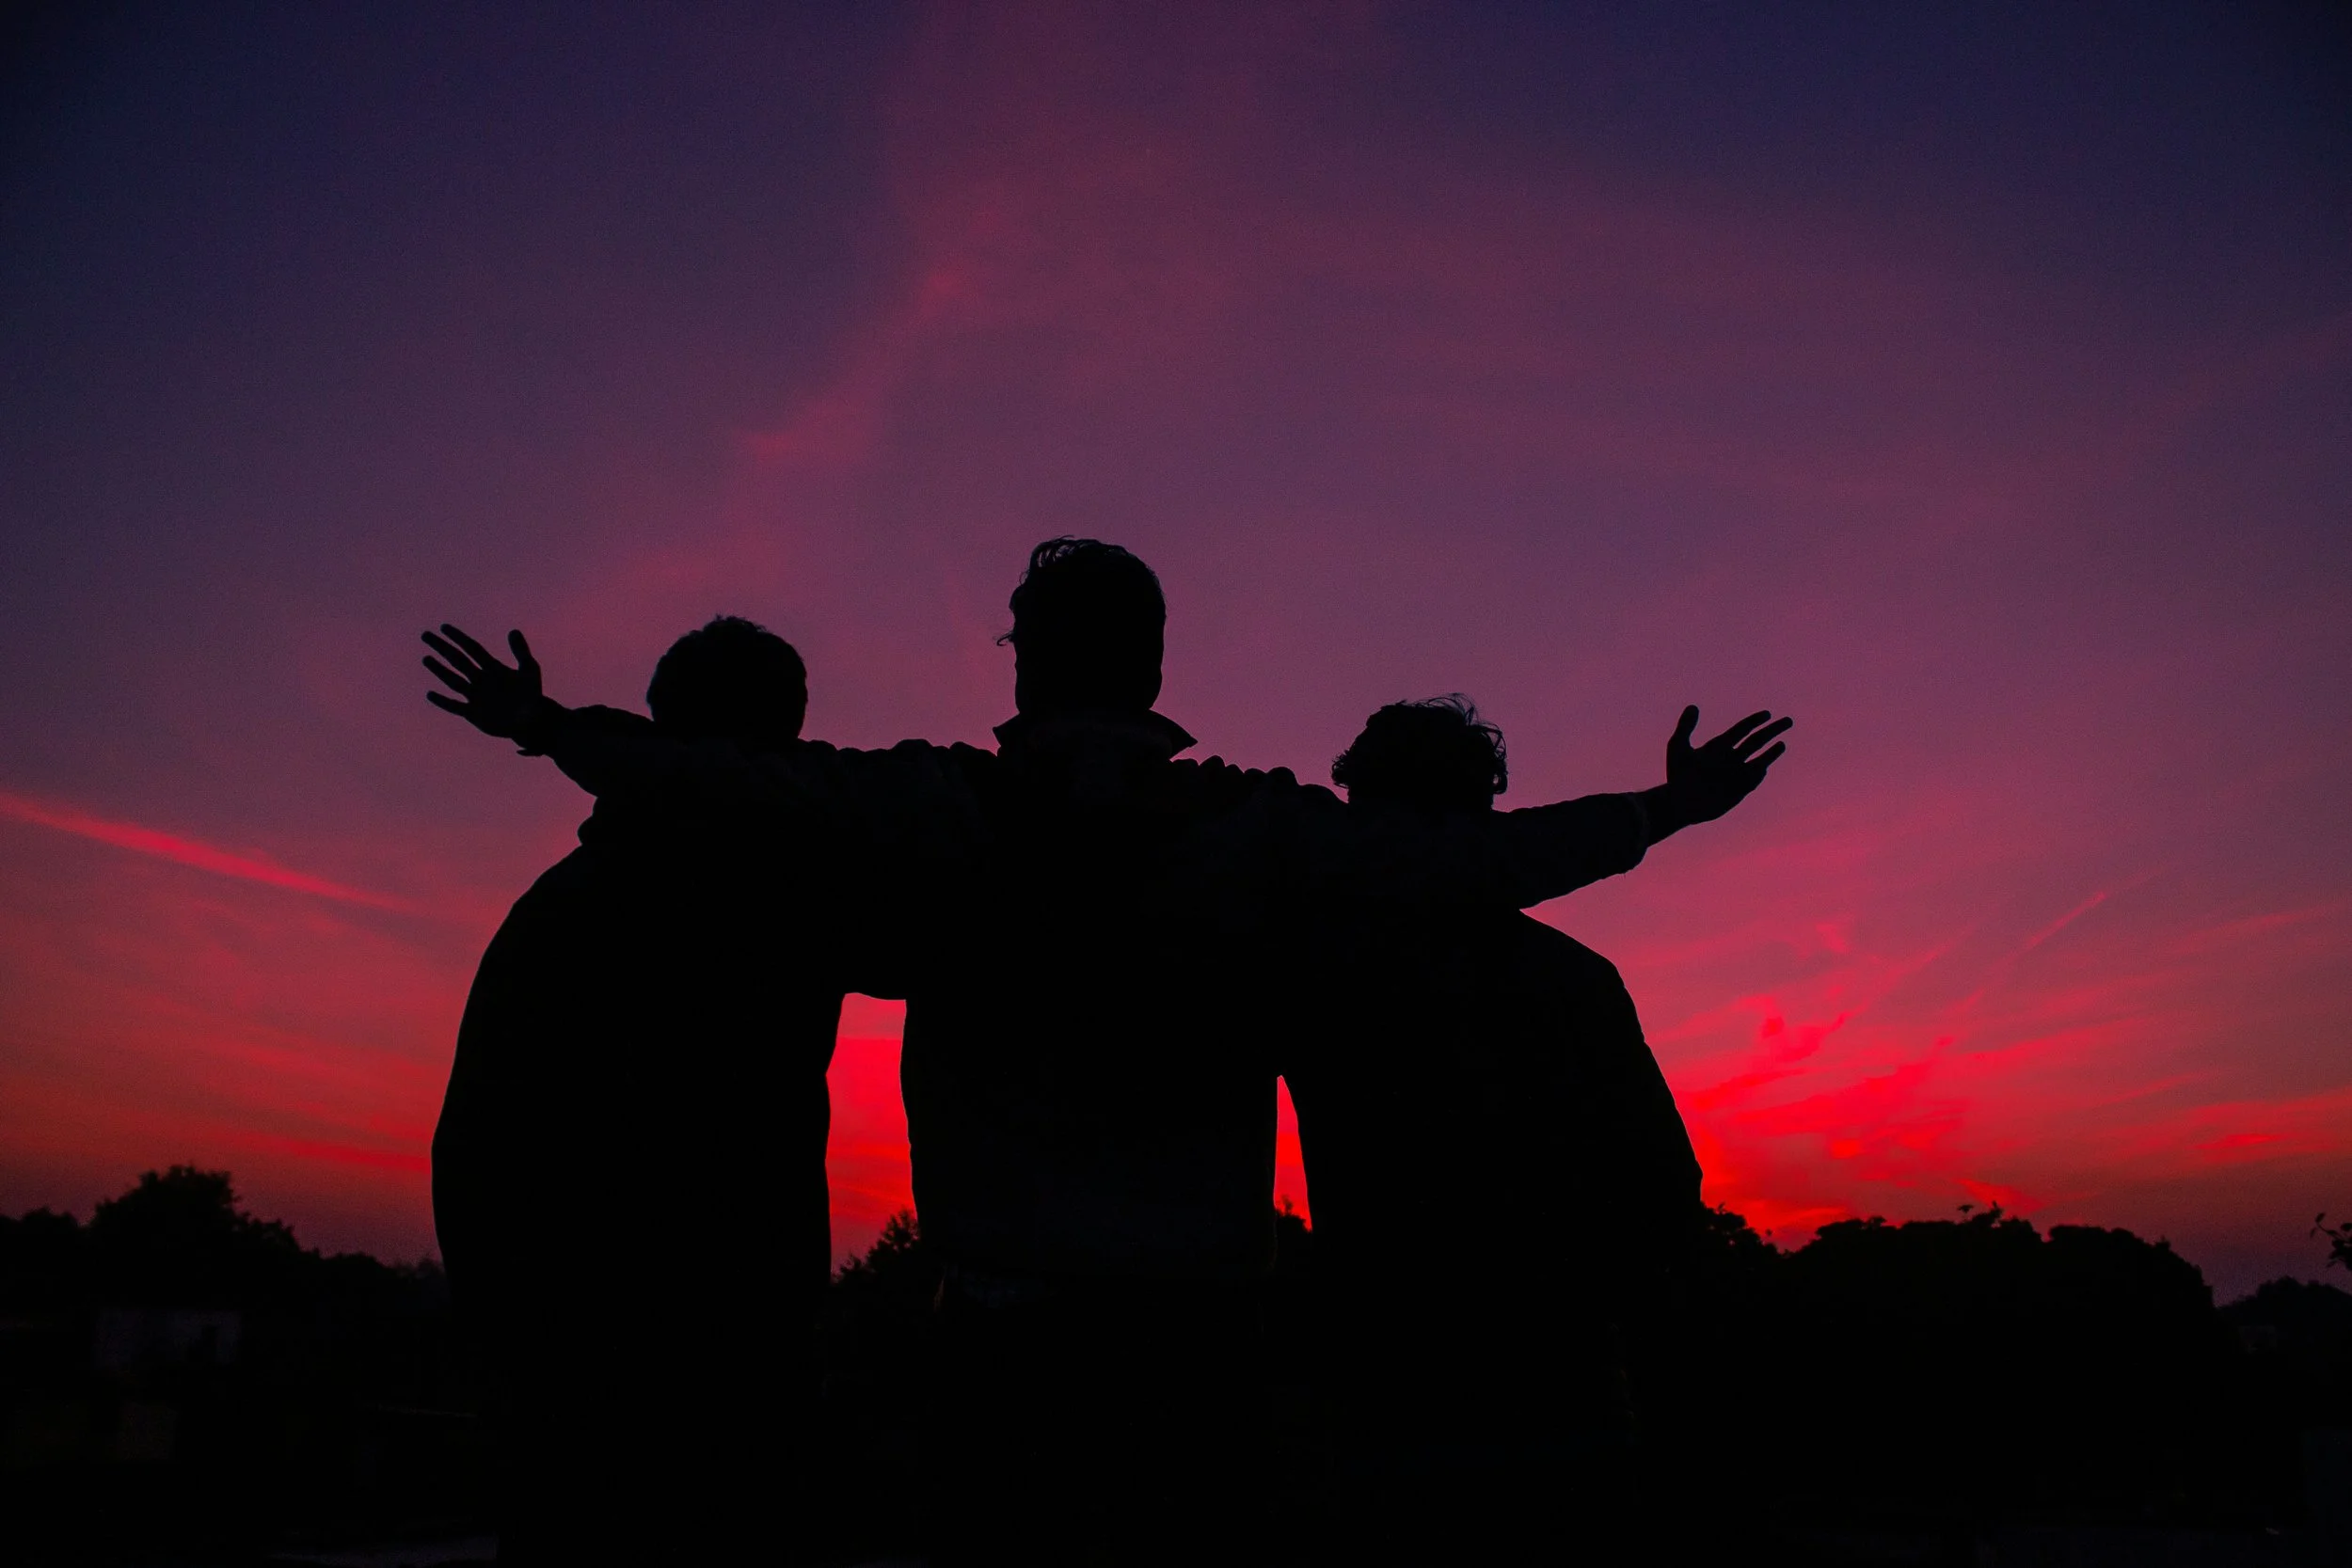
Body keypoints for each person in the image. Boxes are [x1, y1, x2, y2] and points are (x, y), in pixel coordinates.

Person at [421, 539, 1790, 1564]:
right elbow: (1478, 859)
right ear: (1154, 665)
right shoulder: (1260, 837)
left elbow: (733, 778)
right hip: (1201, 1359)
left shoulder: (933, 809)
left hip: (1003, 1353)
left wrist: (553, 730)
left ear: (1023, 658)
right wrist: (1664, 809)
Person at [428, 616, 861, 1567]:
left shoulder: (570, 905)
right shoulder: (810, 888)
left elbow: (472, 1154)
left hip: (587, 1369)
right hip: (727, 1360)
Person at [1286, 696, 1708, 1563]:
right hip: (1563, 1388)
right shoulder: (1576, 979)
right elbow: (1665, 1193)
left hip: (1385, 1390)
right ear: (1485, 809)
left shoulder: (1312, 975)